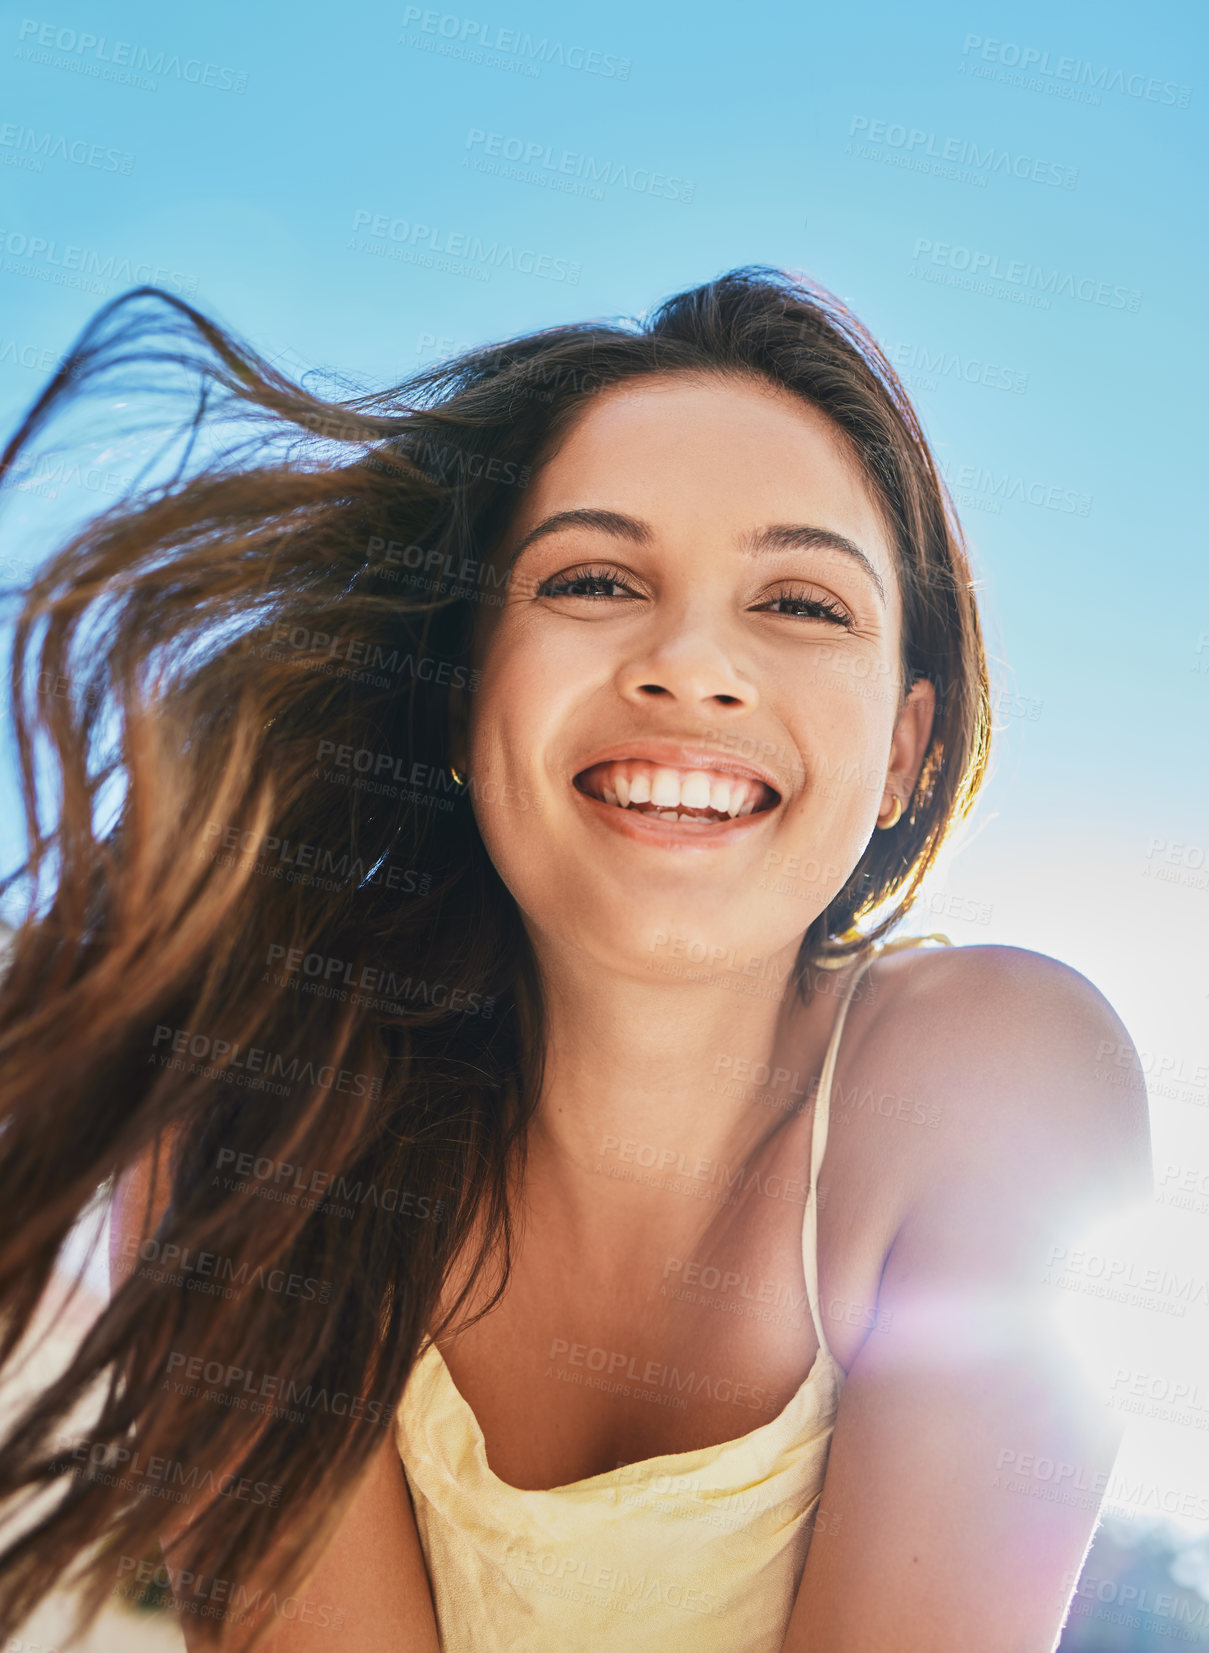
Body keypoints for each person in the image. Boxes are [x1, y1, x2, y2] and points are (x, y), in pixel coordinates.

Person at [0, 267, 1150, 1651]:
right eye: (595, 578)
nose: (689, 664)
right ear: (465, 678)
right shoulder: (263, 1124)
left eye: (798, 603)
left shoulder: (993, 1077)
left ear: (905, 748)